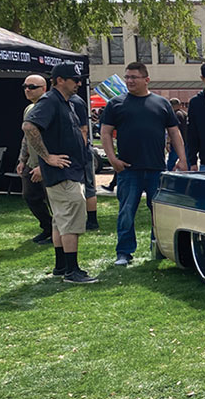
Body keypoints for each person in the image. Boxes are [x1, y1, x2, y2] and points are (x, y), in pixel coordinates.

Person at [101, 62, 188, 266]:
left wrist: (183, 159)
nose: (129, 81)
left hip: (156, 168)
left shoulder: (162, 103)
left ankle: (157, 247)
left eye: (134, 77)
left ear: (146, 80)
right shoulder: (115, 103)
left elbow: (174, 132)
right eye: (127, 77)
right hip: (128, 169)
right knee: (126, 212)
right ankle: (124, 252)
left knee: (157, 212)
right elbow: (105, 132)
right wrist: (113, 159)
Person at [21, 63, 98, 283]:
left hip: (67, 171)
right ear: (60, 80)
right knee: (70, 221)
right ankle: (72, 271)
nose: (79, 83)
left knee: (60, 221)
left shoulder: (65, 102)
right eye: (74, 79)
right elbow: (29, 127)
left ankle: (61, 266)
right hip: (62, 173)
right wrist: (47, 158)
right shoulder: (50, 101)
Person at [16, 74, 53, 244]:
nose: (27, 90)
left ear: (44, 89)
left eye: (32, 87)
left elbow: (52, 140)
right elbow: (27, 137)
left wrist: (43, 166)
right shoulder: (29, 109)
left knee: (54, 201)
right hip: (31, 164)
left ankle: (58, 235)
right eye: (25, 86)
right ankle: (47, 227)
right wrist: (22, 160)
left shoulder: (50, 108)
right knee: (30, 196)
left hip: (49, 165)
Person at [70, 93, 99, 230]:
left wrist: (80, 151)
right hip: (76, 151)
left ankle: (92, 221)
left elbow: (83, 130)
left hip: (82, 152)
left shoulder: (75, 101)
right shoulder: (72, 101)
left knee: (88, 186)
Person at [166, 97, 188, 171]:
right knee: (186, 161)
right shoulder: (185, 114)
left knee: (171, 162)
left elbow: (172, 129)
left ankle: (169, 176)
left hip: (176, 142)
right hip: (186, 141)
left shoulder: (175, 115)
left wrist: (168, 142)